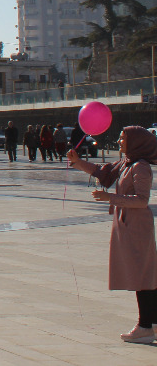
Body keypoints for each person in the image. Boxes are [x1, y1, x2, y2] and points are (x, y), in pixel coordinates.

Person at [68, 126, 157, 343]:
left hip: (137, 226)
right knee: (142, 274)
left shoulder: (140, 167)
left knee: (142, 275)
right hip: (128, 224)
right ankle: (151, 322)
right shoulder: (127, 163)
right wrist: (78, 162)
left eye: (122, 138)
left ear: (136, 142)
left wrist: (111, 199)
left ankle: (145, 326)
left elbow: (142, 200)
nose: (119, 141)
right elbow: (104, 173)